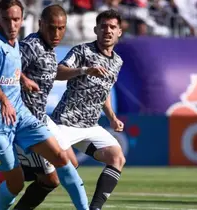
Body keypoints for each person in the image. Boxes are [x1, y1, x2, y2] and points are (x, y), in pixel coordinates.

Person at [0, 0, 88, 209]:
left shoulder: (17, 44)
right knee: (36, 180)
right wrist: (3, 100)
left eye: (16, 19)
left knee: (66, 161)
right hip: (5, 118)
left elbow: (14, 71)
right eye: (7, 20)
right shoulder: (23, 45)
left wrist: (24, 80)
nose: (12, 24)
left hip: (30, 116)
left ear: (22, 20)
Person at [52, 9, 126, 210]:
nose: (108, 31)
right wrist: (84, 70)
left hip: (90, 127)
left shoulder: (117, 61)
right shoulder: (82, 51)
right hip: (65, 123)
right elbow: (57, 72)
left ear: (119, 32)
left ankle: (95, 208)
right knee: (43, 174)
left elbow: (104, 91)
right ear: (96, 29)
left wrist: (111, 117)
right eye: (103, 26)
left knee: (117, 157)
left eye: (112, 27)